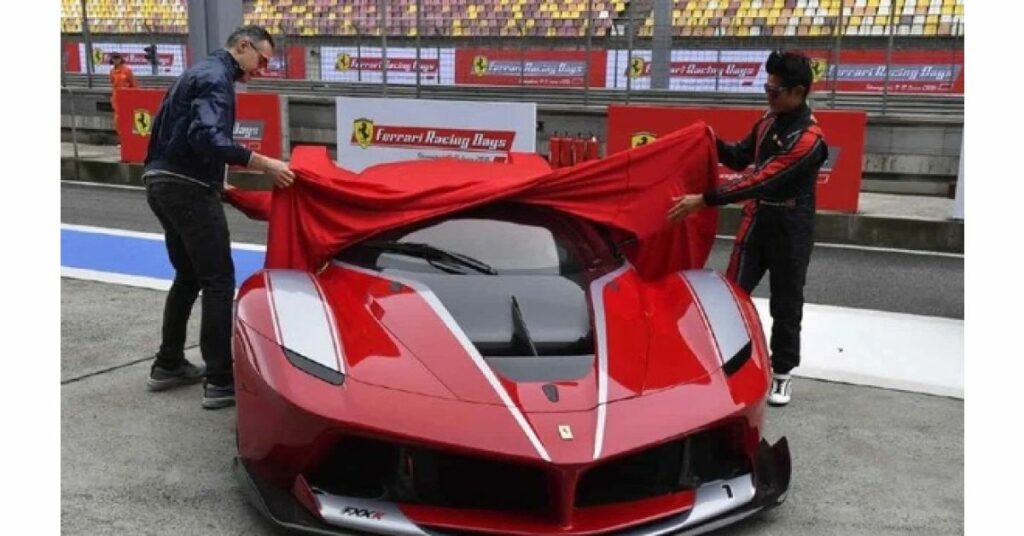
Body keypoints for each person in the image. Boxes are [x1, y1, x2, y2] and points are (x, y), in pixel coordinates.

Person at [142, 25, 295, 409]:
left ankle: (169, 362)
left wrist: (217, 185)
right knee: (219, 280)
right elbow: (207, 136)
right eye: (261, 60)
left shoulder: (196, 73)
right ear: (242, 46)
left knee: (189, 275)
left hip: (159, 181)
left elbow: (175, 135)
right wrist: (265, 165)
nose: (260, 70)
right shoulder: (216, 79)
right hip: (185, 185)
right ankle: (219, 380)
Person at [667, 50, 828, 407]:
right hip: (757, 221)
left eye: (774, 91)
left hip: (792, 228)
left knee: (786, 304)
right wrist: (707, 139)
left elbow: (758, 180)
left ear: (798, 92)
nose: (767, 95)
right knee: (730, 294)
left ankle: (782, 373)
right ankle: (722, 364)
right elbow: (740, 156)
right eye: (766, 88)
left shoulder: (809, 141)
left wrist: (704, 199)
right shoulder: (768, 121)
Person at [108, 52, 137, 134]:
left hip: (126, 98)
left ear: (121, 59)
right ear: (112, 60)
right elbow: (112, 84)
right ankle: (121, 139)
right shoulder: (112, 71)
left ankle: (127, 137)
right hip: (116, 98)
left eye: (117, 58)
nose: (116, 60)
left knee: (127, 118)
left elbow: (134, 85)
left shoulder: (127, 70)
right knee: (117, 120)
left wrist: (133, 97)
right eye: (114, 58)